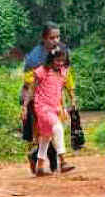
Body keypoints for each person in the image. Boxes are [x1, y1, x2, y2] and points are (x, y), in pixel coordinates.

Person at [21, 22, 77, 174]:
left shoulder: (63, 51)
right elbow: (29, 84)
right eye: (51, 38)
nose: (55, 41)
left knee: (48, 134)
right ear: (44, 39)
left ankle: (39, 161)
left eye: (57, 37)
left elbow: (66, 76)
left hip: (54, 98)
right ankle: (58, 162)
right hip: (37, 100)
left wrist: (70, 96)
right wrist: (25, 106)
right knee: (50, 130)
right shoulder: (34, 57)